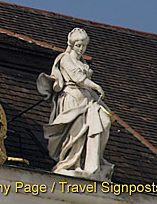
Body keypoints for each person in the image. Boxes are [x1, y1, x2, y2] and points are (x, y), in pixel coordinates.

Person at [37, 28, 114, 181]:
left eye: (84, 46)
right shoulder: (65, 59)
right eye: (78, 45)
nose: (81, 49)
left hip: (87, 100)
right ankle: (71, 164)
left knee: (104, 122)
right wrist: (96, 86)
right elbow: (78, 78)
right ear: (71, 44)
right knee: (76, 132)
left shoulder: (82, 62)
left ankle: (91, 165)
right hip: (71, 99)